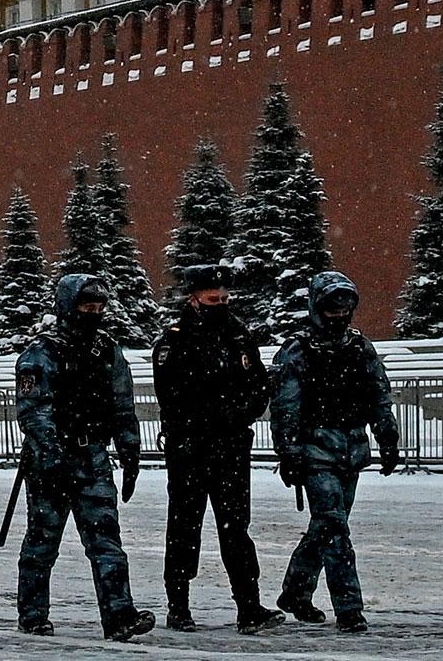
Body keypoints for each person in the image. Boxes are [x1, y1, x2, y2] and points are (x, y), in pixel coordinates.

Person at [12, 273, 155, 641]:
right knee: (42, 545)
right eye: (85, 307)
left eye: (98, 307)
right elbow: (33, 411)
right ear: (66, 307)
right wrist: (52, 456)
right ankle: (32, 615)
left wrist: (129, 449)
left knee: (107, 543)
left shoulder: (106, 350)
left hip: (93, 457)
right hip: (50, 463)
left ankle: (119, 615)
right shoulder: (41, 353)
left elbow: (122, 403)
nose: (93, 314)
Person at [153, 264, 283, 634]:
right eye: (213, 299)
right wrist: (214, 415)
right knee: (183, 527)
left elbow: (259, 385)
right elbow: (172, 396)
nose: (221, 304)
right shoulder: (174, 341)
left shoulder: (238, 336)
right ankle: (178, 605)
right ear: (194, 299)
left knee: (236, 529)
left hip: (230, 448)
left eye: (225, 298)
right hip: (190, 449)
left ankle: (248, 605)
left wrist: (240, 413)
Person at [271, 271, 400, 634]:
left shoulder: (359, 347)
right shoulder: (298, 350)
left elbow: (378, 395)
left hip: (351, 449)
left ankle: (296, 591)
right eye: (332, 306)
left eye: (345, 306)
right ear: (316, 307)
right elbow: (285, 407)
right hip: (316, 451)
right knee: (333, 529)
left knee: (326, 527)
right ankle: (349, 607)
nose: (339, 314)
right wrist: (290, 452)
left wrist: (387, 438)